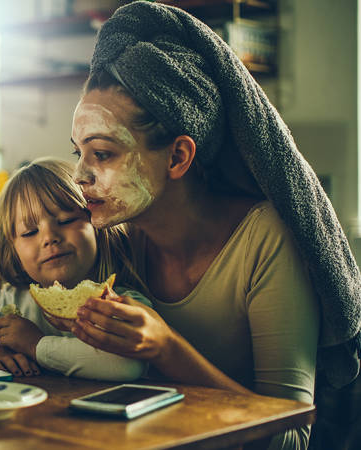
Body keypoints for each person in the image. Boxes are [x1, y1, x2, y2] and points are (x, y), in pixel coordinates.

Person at [60, 2, 360, 449]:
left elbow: (291, 437)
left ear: (178, 156)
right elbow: (5, 302)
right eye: (77, 153)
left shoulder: (264, 241)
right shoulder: (111, 239)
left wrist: (167, 348)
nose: (81, 177)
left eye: (102, 154)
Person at [0, 157, 150, 380]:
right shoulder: (14, 302)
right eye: (30, 232)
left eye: (66, 220)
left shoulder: (120, 303)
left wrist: (36, 345)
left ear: (97, 226)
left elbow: (126, 365)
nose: (49, 238)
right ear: (13, 250)